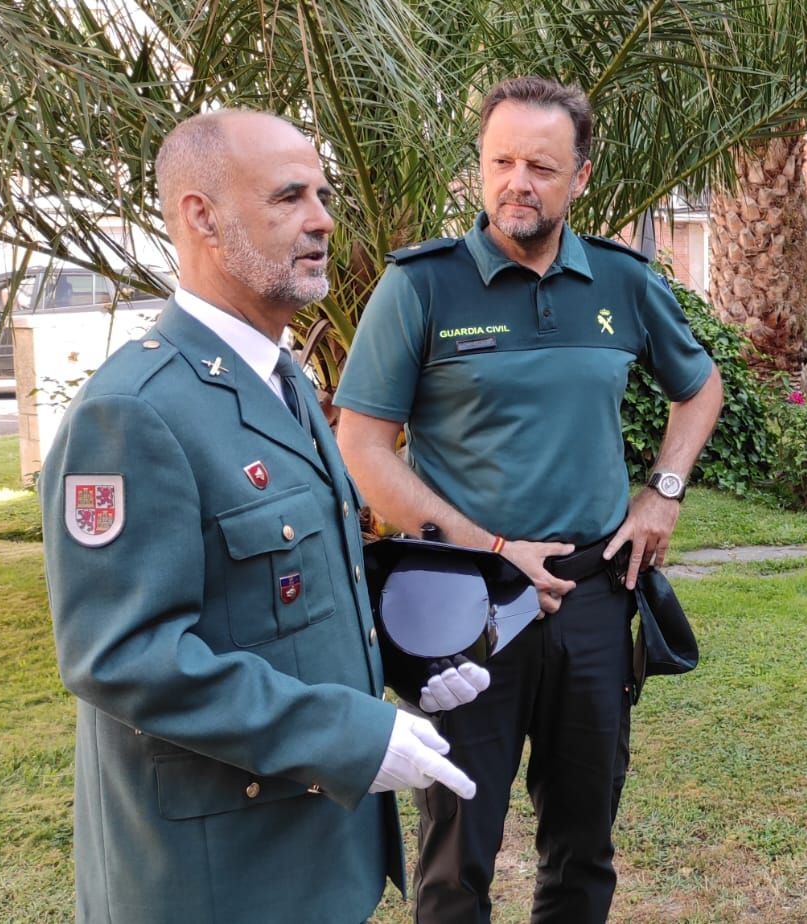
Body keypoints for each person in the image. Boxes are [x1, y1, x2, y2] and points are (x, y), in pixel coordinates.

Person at [41, 110, 492, 923]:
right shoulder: (135, 413)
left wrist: (404, 664)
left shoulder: (280, 380)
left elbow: (289, 589)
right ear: (201, 217)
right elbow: (124, 656)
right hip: (215, 877)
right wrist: (349, 736)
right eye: (289, 197)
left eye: (322, 194)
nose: (322, 219)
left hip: (312, 852)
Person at [334, 76, 723, 922]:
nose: (518, 181)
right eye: (501, 161)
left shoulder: (621, 282)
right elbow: (362, 446)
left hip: (592, 598)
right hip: (463, 606)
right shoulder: (422, 287)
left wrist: (661, 496)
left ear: (579, 177)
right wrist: (496, 551)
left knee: (584, 845)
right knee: (455, 852)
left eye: (541, 166)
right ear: (479, 168)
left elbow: (700, 387)